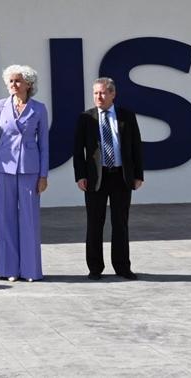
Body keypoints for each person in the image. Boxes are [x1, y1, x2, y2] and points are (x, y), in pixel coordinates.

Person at [73, 77, 144, 280]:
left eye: (103, 93)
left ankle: (122, 266)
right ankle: (95, 268)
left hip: (121, 176)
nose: (99, 97)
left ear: (113, 94)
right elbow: (78, 150)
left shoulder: (126, 116)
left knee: (120, 223)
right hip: (96, 177)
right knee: (94, 223)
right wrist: (80, 176)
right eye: (96, 93)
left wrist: (138, 174)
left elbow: (136, 146)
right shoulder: (86, 118)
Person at [0, 65, 49, 282]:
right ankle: (8, 269)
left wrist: (43, 175)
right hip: (3, 169)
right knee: (5, 219)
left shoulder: (39, 109)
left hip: (30, 169)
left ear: (28, 84)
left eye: (18, 81)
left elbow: (44, 145)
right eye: (11, 81)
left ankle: (31, 270)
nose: (13, 84)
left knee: (30, 220)